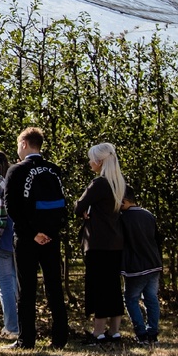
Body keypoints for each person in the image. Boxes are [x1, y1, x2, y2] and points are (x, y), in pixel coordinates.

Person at [4, 127, 68, 350]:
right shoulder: (53, 170)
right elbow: (62, 205)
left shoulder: (16, 171)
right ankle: (60, 337)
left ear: (24, 144)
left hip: (26, 238)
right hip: (52, 238)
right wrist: (50, 232)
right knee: (54, 287)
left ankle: (26, 339)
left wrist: (32, 233)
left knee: (27, 289)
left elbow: (11, 207)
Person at [75, 142, 126, 343]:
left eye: (92, 159)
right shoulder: (119, 183)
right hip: (115, 242)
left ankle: (98, 332)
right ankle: (114, 330)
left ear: (100, 161)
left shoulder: (98, 184)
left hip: (97, 242)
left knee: (98, 287)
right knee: (113, 286)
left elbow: (79, 206)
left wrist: (84, 210)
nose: (90, 163)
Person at [119, 184, 162, 343]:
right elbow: (157, 238)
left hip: (135, 266)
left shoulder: (123, 218)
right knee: (151, 298)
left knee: (131, 298)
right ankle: (153, 332)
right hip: (153, 263)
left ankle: (141, 332)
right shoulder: (148, 215)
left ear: (123, 201)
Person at [0, 149, 20, 339]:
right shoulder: (12, 179)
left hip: (0, 238)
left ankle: (11, 326)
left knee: (6, 285)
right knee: (18, 283)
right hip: (17, 236)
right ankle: (21, 324)